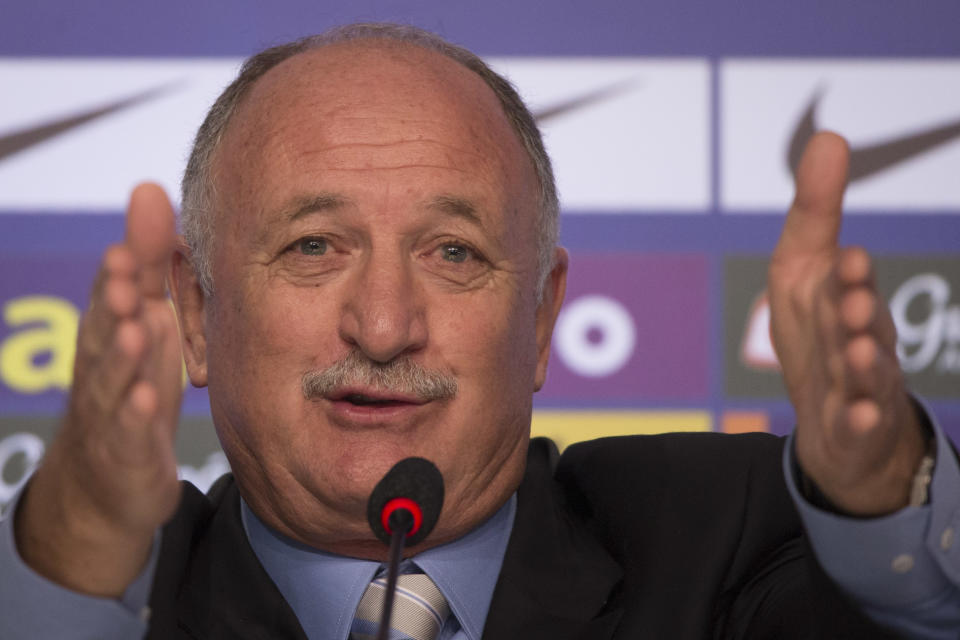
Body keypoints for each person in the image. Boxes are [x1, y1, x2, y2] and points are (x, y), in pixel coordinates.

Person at [1, 23, 958, 639]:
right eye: (313, 246)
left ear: (539, 318)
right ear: (199, 313)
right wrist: (82, 524)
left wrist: (879, 493)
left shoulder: (731, 536)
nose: (382, 325)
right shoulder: (122, 577)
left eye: (453, 253)